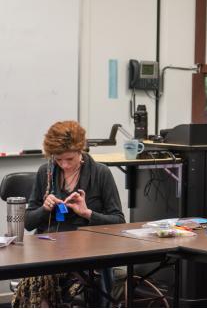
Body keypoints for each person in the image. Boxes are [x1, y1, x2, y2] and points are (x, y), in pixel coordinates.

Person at [12, 120, 125, 307]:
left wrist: (87, 213)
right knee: (40, 284)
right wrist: (45, 208)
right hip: (48, 254)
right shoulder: (45, 172)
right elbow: (29, 222)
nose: (64, 165)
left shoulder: (100, 173)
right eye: (58, 159)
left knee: (70, 290)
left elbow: (119, 222)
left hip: (87, 255)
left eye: (69, 159)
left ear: (81, 150)